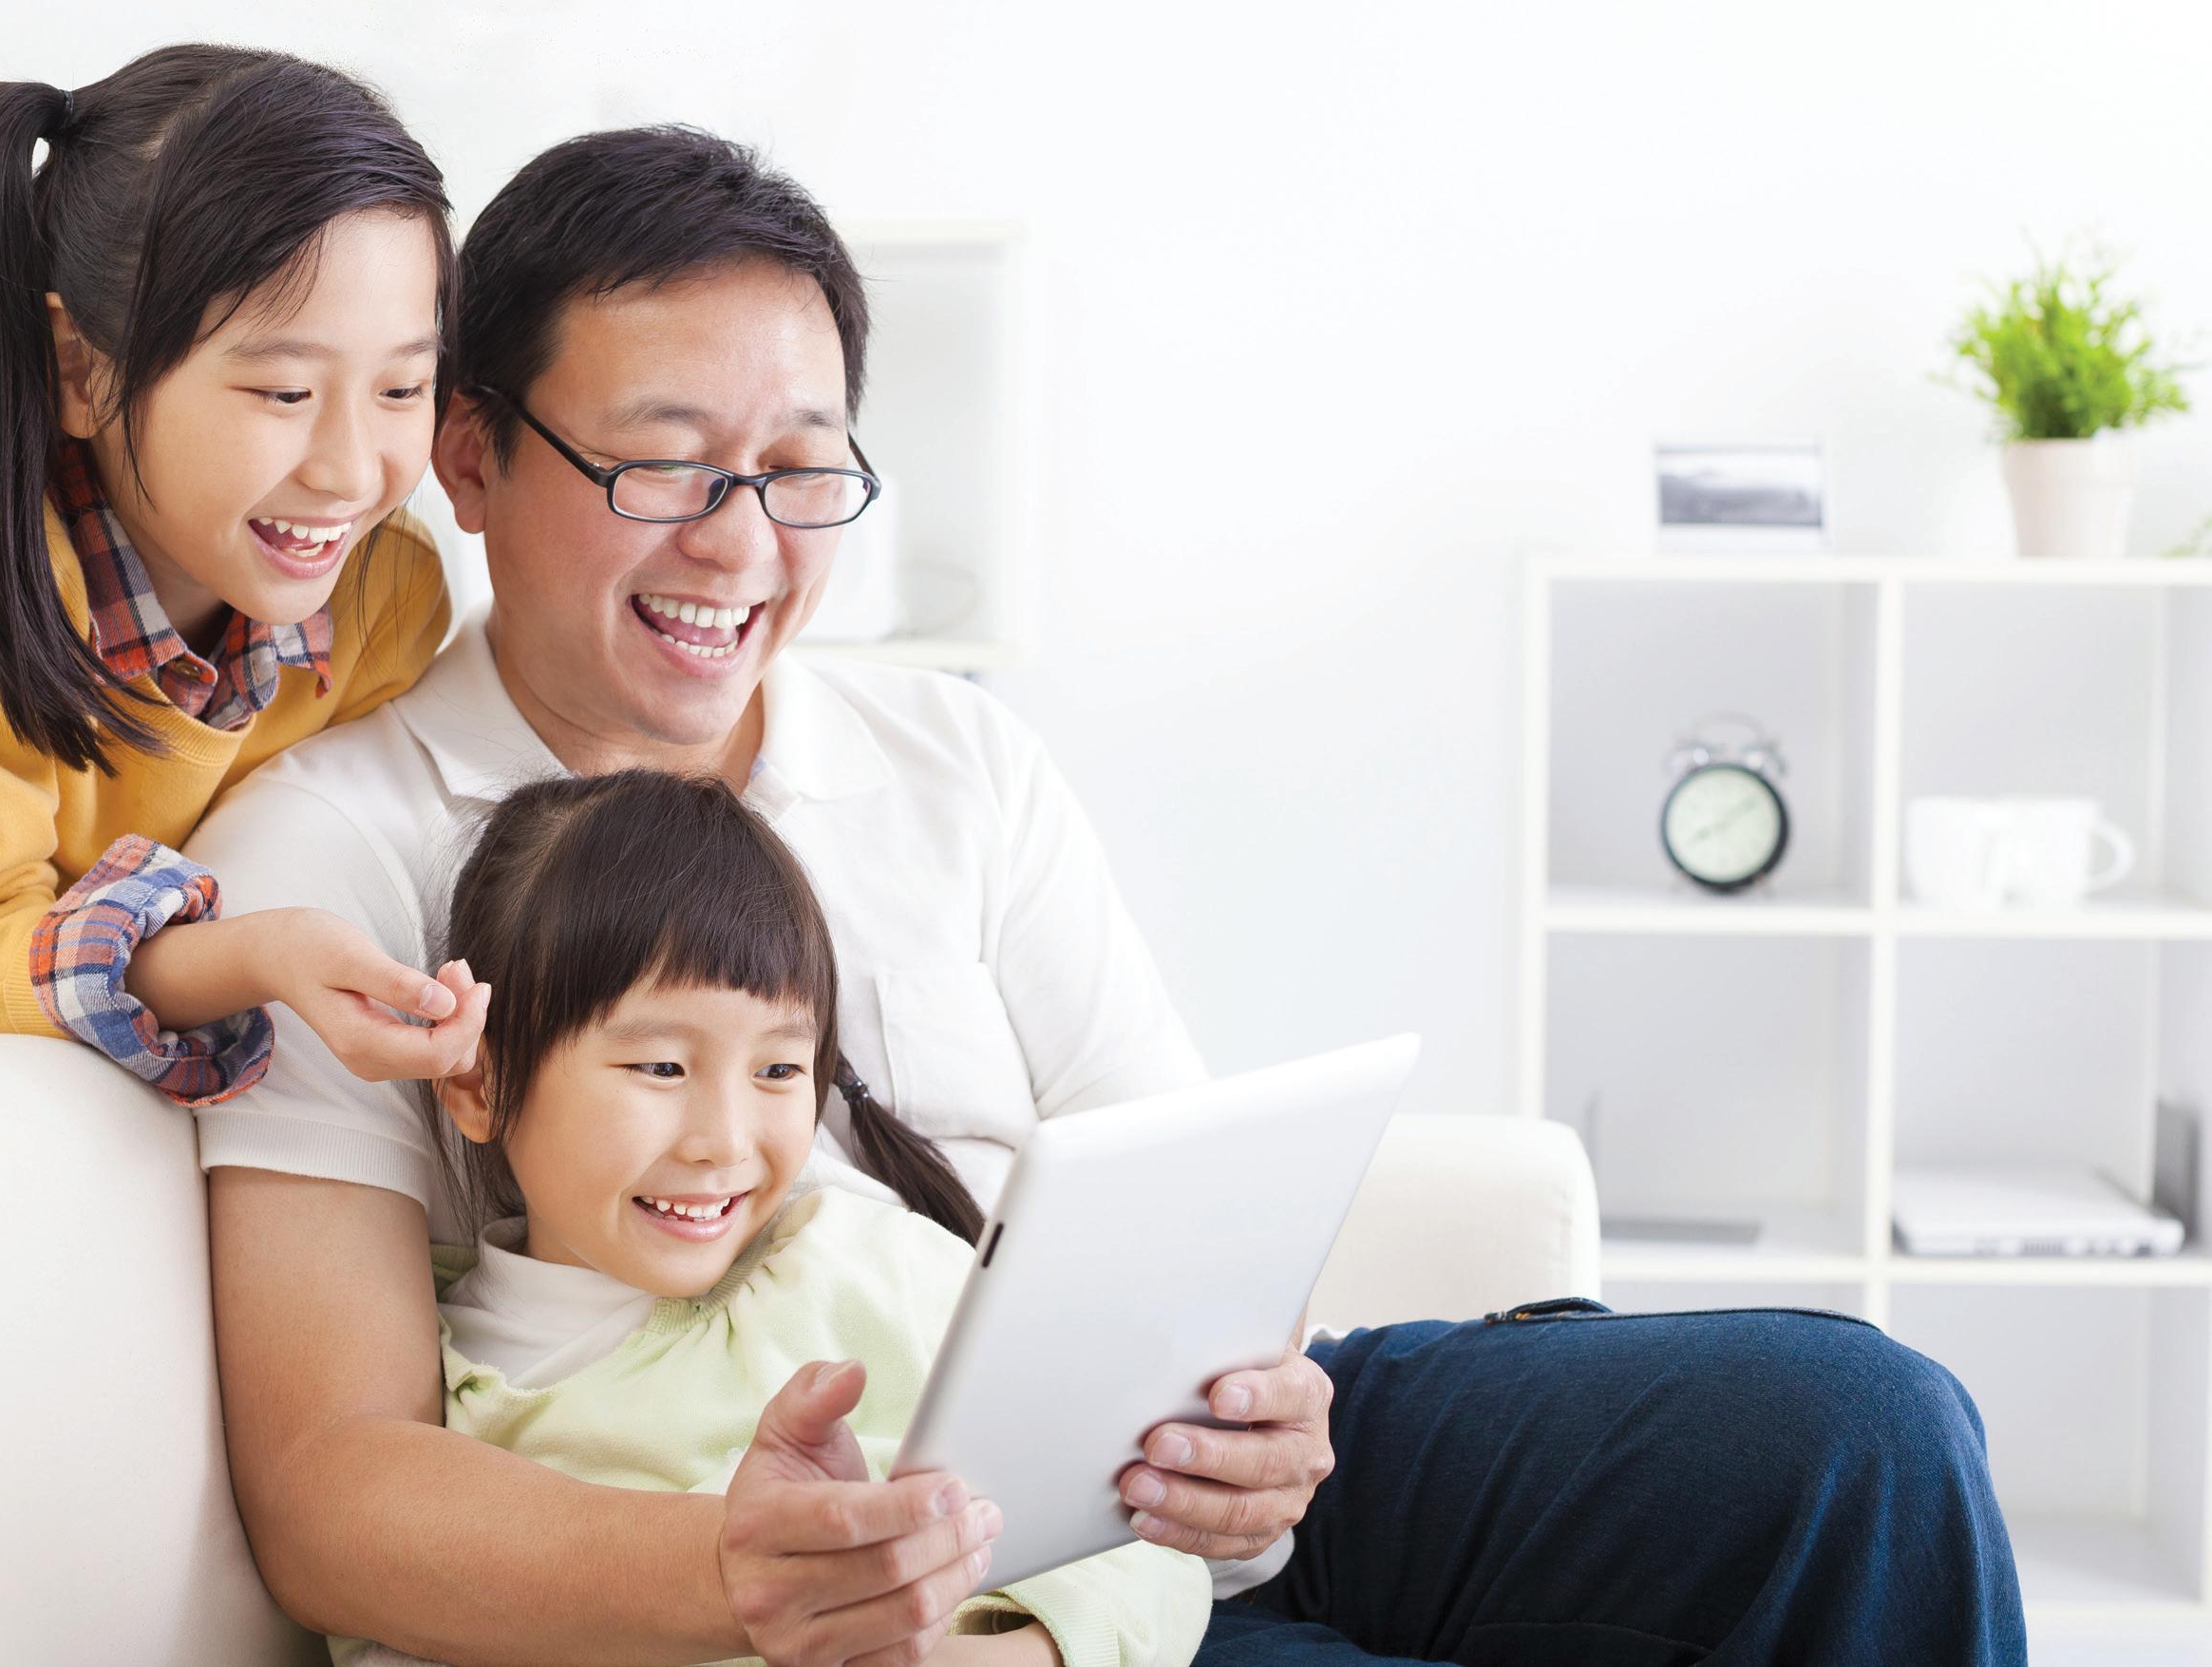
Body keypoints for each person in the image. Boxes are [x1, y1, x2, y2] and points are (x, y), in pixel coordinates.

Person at [183, 126, 2028, 1665]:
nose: (738, 544)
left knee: (1856, 1432)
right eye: (662, 464)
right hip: (809, 1548)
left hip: (1158, 1477)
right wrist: (746, 1576)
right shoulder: (332, 855)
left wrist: (1265, 1417)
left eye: (801, 472)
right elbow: (332, 1488)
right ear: (472, 456)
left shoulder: (951, 759)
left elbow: (1190, 1211)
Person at [327, 767, 1212, 1667]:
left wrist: (1017, 1654)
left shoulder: (877, 1267)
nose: (725, 1139)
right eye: (661, 1067)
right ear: (479, 1083)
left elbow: (1140, 1536)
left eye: (778, 1070)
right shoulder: (433, 1427)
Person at [0, 44, 490, 1099]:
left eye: (401, 389)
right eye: (284, 393)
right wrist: (238, 955)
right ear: (79, 366)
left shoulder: (382, 600)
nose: (350, 471)